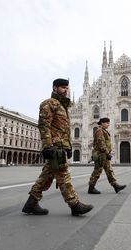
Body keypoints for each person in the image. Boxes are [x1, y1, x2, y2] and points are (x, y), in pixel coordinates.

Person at [22, 78, 93, 216]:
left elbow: (64, 130)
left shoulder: (64, 107)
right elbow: (44, 125)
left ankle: (31, 203)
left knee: (47, 177)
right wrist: (47, 146)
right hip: (54, 148)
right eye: (62, 87)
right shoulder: (49, 104)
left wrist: (69, 147)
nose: (65, 90)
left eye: (67, 88)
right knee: (63, 175)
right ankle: (74, 204)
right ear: (55, 88)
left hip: (61, 147)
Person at [88, 117, 126, 194]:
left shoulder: (104, 131)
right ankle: (91, 188)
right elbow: (101, 143)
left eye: (108, 123)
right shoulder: (99, 131)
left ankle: (115, 186)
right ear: (102, 123)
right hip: (101, 154)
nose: (108, 124)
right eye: (107, 123)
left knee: (109, 170)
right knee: (97, 171)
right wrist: (107, 153)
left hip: (104, 154)